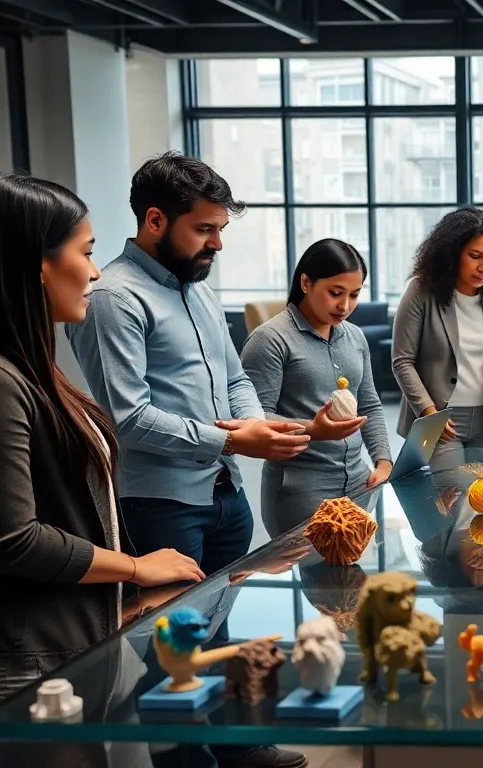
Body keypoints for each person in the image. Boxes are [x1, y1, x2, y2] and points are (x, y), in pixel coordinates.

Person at [66, 153, 309, 768]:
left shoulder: (198, 288)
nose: (217, 244)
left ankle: (238, 750)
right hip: (159, 504)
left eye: (220, 229)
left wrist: (254, 424)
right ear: (155, 220)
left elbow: (234, 380)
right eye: (205, 229)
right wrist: (232, 441)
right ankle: (188, 763)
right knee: (169, 652)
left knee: (219, 632)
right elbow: (127, 418)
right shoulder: (114, 298)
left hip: (224, 494)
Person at [0, 173, 201, 715]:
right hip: (26, 667)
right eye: (87, 252)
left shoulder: (26, 368)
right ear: (38, 264)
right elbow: (14, 540)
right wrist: (134, 568)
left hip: (67, 648)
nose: (96, 271)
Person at [239, 239, 394, 538]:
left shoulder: (355, 337)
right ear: (306, 283)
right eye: (335, 293)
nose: (345, 305)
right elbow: (253, 419)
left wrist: (384, 460)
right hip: (301, 490)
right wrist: (313, 429)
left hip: (360, 483)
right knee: (315, 568)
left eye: (354, 294)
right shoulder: (269, 340)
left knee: (352, 567)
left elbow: (370, 404)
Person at [392, 207, 483, 471]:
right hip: (442, 421)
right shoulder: (420, 291)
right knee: (454, 493)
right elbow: (402, 361)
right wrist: (429, 413)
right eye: (475, 256)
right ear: (452, 252)